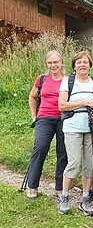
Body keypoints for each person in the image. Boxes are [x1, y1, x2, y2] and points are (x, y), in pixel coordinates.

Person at [58, 51, 93, 216]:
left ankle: (85, 198)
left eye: (85, 62)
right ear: (74, 66)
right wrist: (85, 102)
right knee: (74, 162)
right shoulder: (68, 81)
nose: (82, 65)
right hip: (73, 127)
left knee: (90, 163)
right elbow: (62, 105)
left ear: (90, 65)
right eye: (79, 62)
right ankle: (64, 196)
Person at [26, 50, 68, 199]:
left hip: (64, 119)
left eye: (56, 62)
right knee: (40, 148)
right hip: (44, 118)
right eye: (50, 63)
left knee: (63, 152)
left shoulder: (68, 80)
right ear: (46, 64)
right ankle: (32, 185)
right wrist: (33, 116)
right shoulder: (42, 79)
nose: (53, 65)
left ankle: (60, 187)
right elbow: (32, 96)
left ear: (61, 62)